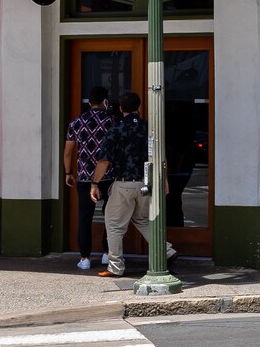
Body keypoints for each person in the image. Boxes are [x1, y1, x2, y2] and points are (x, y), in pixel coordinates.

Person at [93, 91, 175, 278]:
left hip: (123, 184)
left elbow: (104, 161)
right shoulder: (149, 128)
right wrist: (164, 180)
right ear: (139, 107)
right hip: (146, 183)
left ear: (120, 109)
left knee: (113, 225)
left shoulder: (116, 129)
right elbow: (161, 156)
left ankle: (115, 267)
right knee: (143, 220)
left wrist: (94, 183)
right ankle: (167, 251)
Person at [62, 86, 114, 270]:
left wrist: (68, 173)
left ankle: (84, 257)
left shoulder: (76, 123)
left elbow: (68, 152)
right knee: (110, 215)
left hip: (84, 176)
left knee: (85, 217)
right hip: (108, 175)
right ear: (105, 101)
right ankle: (108, 254)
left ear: (89, 101)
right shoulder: (112, 121)